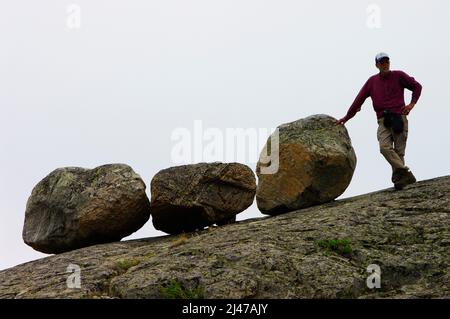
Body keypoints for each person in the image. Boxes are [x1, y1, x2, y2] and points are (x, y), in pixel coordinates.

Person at [336, 52, 422, 190]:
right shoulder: (372, 82)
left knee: (399, 152)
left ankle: (399, 181)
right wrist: (346, 117)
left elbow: (417, 86)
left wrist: (412, 104)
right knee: (384, 148)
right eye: (382, 62)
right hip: (383, 121)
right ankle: (405, 173)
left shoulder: (399, 75)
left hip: (399, 118)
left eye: (387, 61)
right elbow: (358, 100)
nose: (385, 64)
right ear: (377, 65)